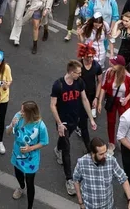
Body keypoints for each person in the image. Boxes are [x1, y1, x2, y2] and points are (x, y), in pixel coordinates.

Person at [50, 60, 97, 196]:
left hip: (74, 119)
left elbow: (84, 99)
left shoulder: (79, 82)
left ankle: (57, 148)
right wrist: (59, 123)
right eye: (78, 72)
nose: (80, 75)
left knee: (65, 140)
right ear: (71, 72)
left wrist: (91, 119)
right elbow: (52, 105)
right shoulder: (58, 85)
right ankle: (69, 179)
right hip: (63, 121)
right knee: (67, 150)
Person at [72, 136, 130, 209]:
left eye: (105, 152)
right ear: (93, 153)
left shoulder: (111, 161)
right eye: (101, 154)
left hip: (107, 206)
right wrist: (80, 202)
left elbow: (123, 179)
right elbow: (76, 180)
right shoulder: (82, 163)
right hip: (89, 206)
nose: (105, 156)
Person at [8, 101, 48, 209]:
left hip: (31, 159)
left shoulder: (40, 125)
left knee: (30, 182)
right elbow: (8, 132)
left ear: (30, 113)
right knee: (18, 174)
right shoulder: (18, 117)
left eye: (23, 111)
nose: (20, 112)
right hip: (17, 154)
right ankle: (21, 187)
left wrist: (30, 148)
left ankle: (30, 207)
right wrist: (11, 125)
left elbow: (44, 142)